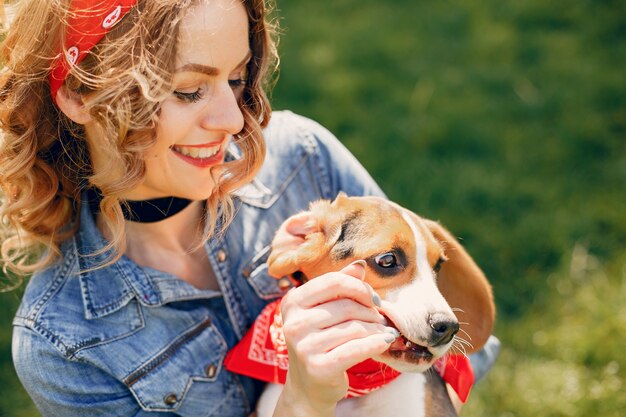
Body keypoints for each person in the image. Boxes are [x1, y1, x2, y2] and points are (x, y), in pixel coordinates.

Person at [0, 1, 499, 416]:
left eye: (236, 80)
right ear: (79, 94)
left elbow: (458, 344)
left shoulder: (303, 156)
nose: (232, 119)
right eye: (188, 89)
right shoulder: (64, 344)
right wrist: (303, 401)